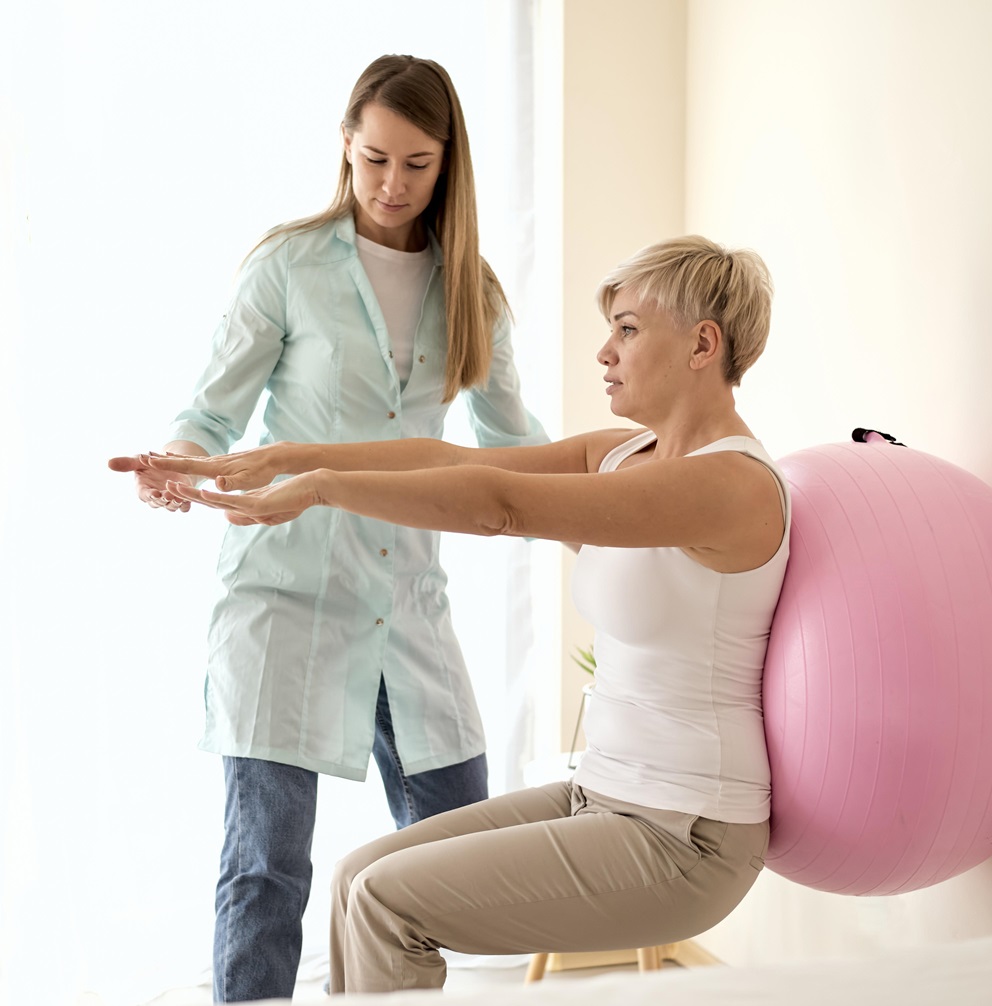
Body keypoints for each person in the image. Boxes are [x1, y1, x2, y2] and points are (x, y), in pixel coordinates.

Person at [150, 235, 790, 995]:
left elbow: (499, 506)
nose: (603, 352)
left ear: (702, 344)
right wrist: (283, 458)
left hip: (689, 834)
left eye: (625, 328)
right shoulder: (625, 457)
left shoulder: (730, 485)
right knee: (362, 875)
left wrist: (321, 490)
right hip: (607, 794)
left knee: (388, 904)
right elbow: (449, 462)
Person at [108, 54, 546, 1003]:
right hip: (284, 600)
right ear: (345, 145)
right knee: (266, 871)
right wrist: (175, 465)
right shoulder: (287, 265)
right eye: (375, 158)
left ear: (448, 164)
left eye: (417, 164)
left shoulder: (474, 289)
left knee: (460, 848)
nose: (392, 185)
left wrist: (626, 484)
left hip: (407, 606)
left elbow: (517, 446)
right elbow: (213, 416)